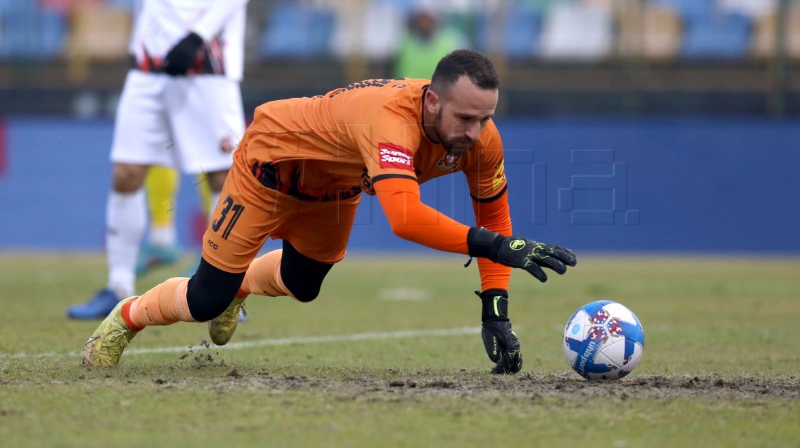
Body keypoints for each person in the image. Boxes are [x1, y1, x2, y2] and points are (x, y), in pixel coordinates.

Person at [81, 49, 577, 374]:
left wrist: (495, 311)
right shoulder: (389, 120)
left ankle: (244, 285)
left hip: (334, 187)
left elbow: (495, 219)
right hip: (269, 167)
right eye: (465, 118)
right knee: (205, 297)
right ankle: (126, 317)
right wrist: (495, 247)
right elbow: (405, 218)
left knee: (304, 286)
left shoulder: (482, 141)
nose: (475, 132)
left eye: (485, 118)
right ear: (430, 102)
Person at [67, 0, 260, 319]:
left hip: (205, 65)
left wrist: (197, 36)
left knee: (221, 175)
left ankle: (225, 288)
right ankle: (118, 285)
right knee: (126, 172)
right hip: (148, 65)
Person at [394, 0, 465, 80]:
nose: (424, 23)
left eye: (427, 18)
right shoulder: (405, 43)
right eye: (421, 18)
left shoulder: (453, 42)